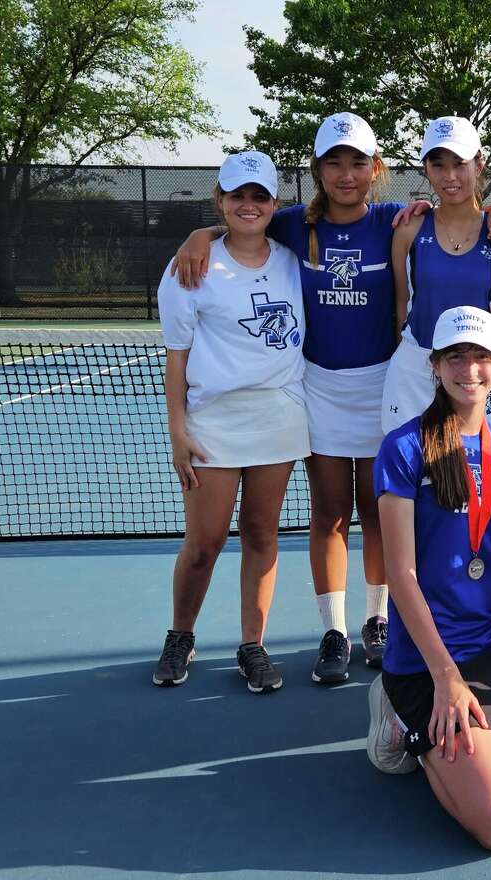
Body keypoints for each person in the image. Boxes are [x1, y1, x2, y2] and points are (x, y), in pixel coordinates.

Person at [169, 114, 491, 685]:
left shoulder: (398, 222)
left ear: (377, 170)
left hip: (382, 385)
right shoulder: (292, 224)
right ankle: (335, 630)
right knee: (329, 512)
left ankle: (378, 620)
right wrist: (197, 234)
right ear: (317, 169)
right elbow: (237, 226)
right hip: (317, 387)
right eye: (333, 162)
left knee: (379, 510)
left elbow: (482, 224)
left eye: (357, 162)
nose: (345, 174)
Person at [366, 305, 491, 851]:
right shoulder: (403, 449)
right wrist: (445, 678)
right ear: (435, 365)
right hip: (425, 662)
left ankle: (470, 741)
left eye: (481, 357)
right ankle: (402, 722)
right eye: (457, 356)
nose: (469, 369)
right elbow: (401, 575)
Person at [153, 151, 308, 693]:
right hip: (213, 422)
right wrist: (178, 429)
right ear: (220, 200)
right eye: (237, 196)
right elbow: (176, 356)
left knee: (262, 534)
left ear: (274, 204)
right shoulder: (190, 268)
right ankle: (181, 634)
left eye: (259, 196)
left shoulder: (293, 258)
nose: (248, 205)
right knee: (205, 541)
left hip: (279, 418)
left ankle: (253, 645)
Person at [383, 116, 491, 433]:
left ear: (479, 164)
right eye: (438, 165)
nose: (450, 175)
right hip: (414, 371)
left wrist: (477, 366)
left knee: (472, 477)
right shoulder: (409, 227)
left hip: (473, 374)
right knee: (408, 477)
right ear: (426, 169)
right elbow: (401, 308)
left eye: (460, 163)